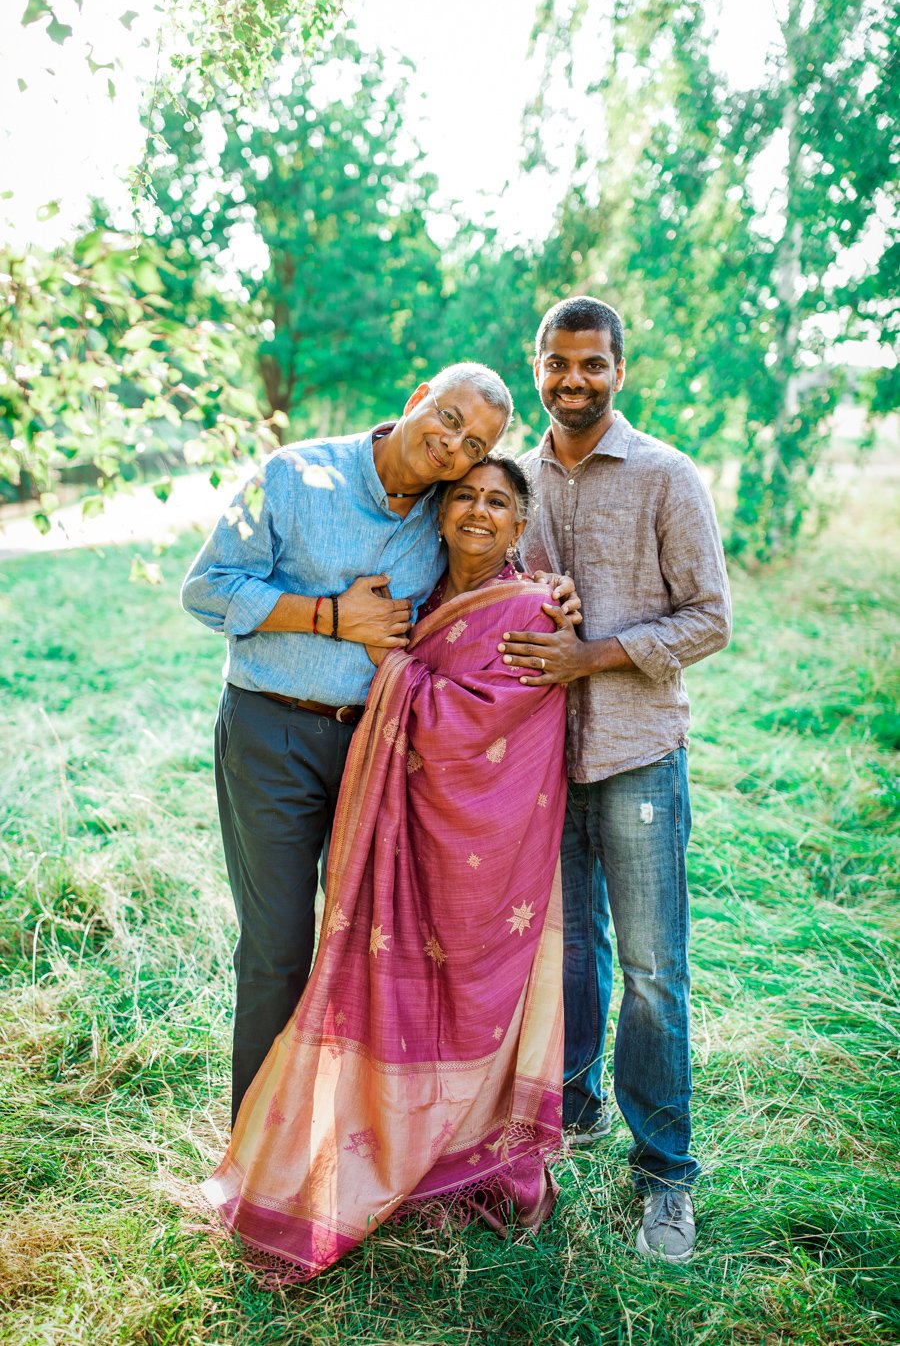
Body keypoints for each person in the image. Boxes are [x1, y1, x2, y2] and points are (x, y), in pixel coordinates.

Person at [202, 456, 568, 1278]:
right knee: (321, 959)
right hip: (368, 801)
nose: (479, 509)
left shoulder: (534, 607)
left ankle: (447, 1151)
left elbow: (489, 720)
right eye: (466, 496)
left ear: (520, 526)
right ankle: (294, 1141)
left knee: (455, 984)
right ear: (439, 517)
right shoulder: (420, 591)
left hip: (476, 846)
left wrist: (393, 668)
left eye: (499, 502)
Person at [181, 366, 574, 1126]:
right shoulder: (291, 474)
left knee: (365, 948)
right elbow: (205, 590)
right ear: (415, 397)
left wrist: (549, 592)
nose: (452, 445)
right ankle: (258, 1148)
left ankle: (338, 1139)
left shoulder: (441, 504)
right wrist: (330, 617)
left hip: (379, 749)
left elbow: (483, 564)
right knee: (278, 949)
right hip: (274, 732)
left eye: (475, 443)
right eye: (448, 418)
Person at [498, 297, 732, 1264]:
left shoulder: (667, 476)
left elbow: (709, 619)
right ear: (537, 366)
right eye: (558, 364)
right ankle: (577, 1107)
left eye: (593, 364)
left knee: (650, 971)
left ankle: (667, 1174)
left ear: (620, 371)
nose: (574, 380)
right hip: (545, 762)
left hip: (637, 753)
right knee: (566, 957)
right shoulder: (513, 479)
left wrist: (592, 658)